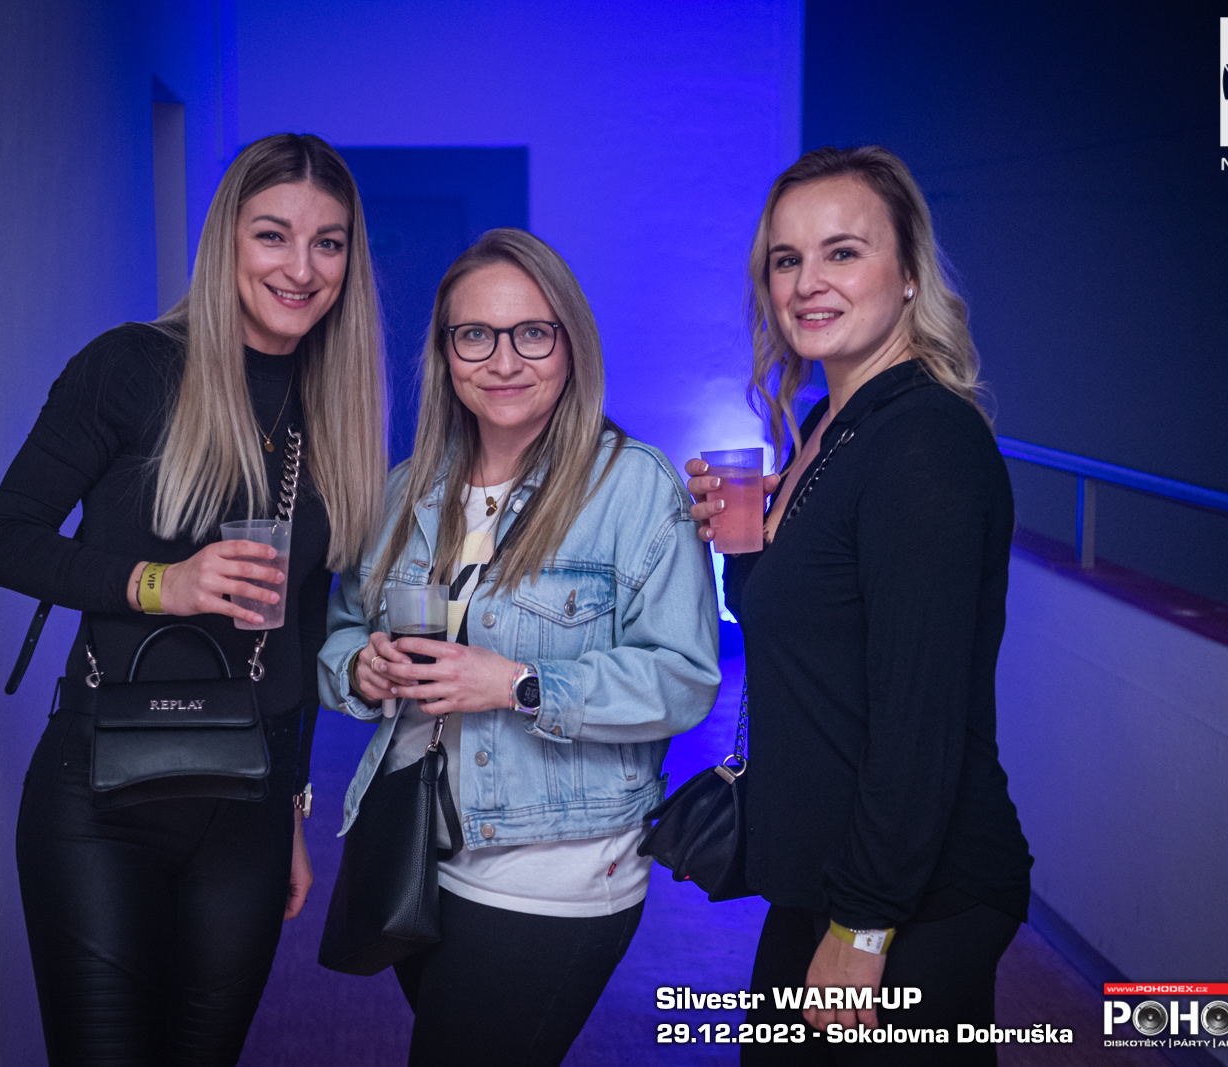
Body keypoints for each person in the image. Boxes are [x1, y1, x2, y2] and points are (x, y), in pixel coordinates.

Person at [0, 133, 385, 1065]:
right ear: (228, 238)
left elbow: (304, 619)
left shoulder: (332, 407)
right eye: (273, 235)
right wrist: (165, 583)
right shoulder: (130, 366)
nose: (301, 268)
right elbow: (4, 540)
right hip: (99, 794)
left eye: (327, 243)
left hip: (248, 798)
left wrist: (293, 807)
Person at [318, 228, 720, 1066]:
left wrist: (518, 683)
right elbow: (343, 628)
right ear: (446, 352)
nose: (503, 360)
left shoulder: (634, 488)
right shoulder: (404, 492)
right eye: (476, 334)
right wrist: (362, 665)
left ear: (571, 344)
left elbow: (683, 680)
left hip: (553, 872)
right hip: (418, 851)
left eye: (532, 332)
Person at [685, 146, 1033, 1065]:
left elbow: (919, 717)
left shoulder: (924, 443)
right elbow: (794, 628)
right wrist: (743, 544)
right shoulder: (826, 426)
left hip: (913, 897)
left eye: (842, 251)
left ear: (909, 271)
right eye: (787, 259)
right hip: (829, 875)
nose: (808, 282)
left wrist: (865, 927)